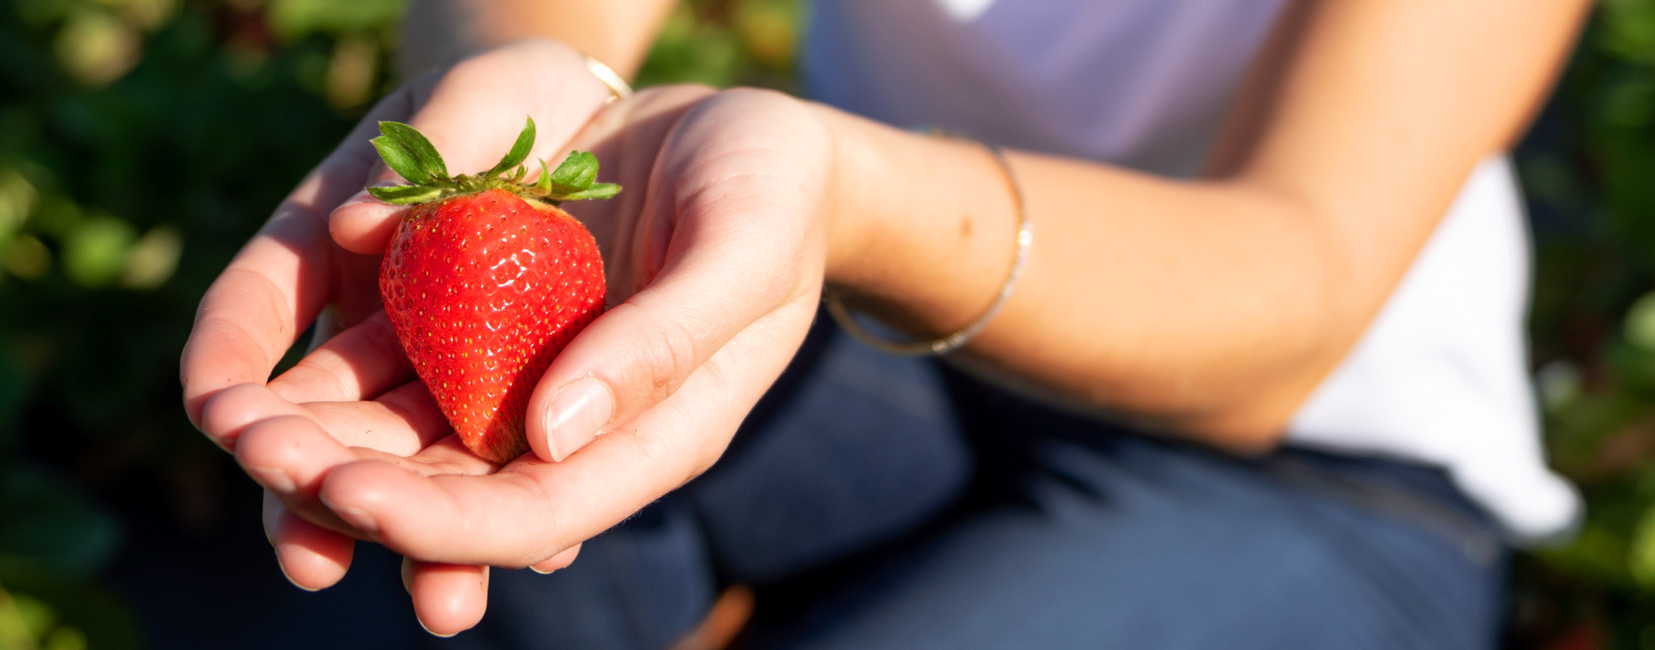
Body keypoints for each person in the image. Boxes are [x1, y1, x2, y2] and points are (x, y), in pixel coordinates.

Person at [179, 0, 1592, 646]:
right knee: (512, 552)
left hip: (1307, 461)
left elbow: (1297, 288)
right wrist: (521, 74)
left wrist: (849, 188)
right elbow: (540, 17)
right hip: (872, 337)